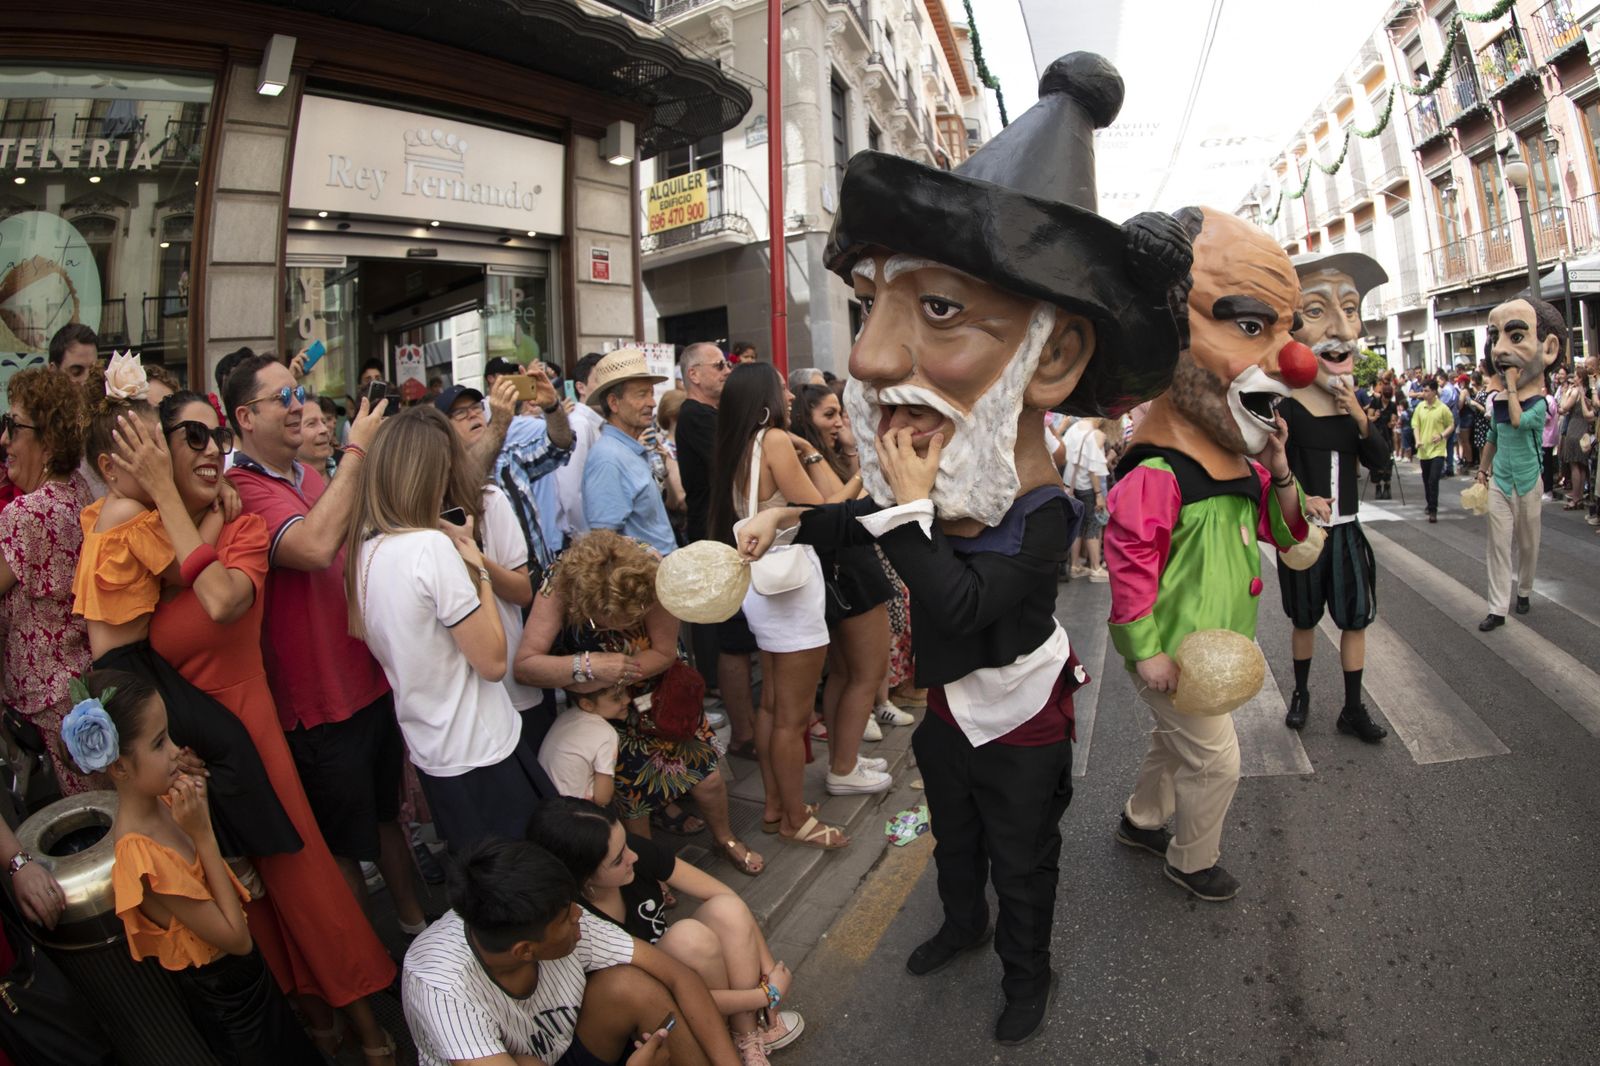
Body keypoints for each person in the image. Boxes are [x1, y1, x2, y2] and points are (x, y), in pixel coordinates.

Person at [736, 53, 1191, 1044]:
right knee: (946, 832)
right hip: (949, 715)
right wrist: (786, 515)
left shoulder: (1039, 513)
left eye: (937, 309)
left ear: (1056, 355)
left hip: (1022, 719)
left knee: (1024, 857)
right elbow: (866, 523)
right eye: (873, 307)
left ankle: (1026, 970)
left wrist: (902, 512)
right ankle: (958, 921)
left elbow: (960, 609)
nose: (867, 358)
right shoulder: (942, 479)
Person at [103, 388, 399, 1061]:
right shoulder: (140, 539)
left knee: (303, 886)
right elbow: (114, 645)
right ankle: (311, 1029)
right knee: (246, 901)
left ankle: (371, 1036)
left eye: (216, 438)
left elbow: (222, 600)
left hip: (248, 728)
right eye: (192, 439)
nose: (213, 452)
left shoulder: (240, 527)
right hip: (180, 744)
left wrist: (172, 499)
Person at [1104, 207, 1315, 905]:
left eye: (1287, 332)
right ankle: (1191, 860)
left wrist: (1282, 470)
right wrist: (1147, 652)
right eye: (1251, 325)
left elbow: (1284, 538)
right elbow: (1129, 567)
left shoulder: (1238, 458)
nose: (1294, 361)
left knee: (1177, 746)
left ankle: (1141, 823)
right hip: (1170, 649)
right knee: (1217, 759)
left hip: (1210, 650)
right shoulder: (1156, 471)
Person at [222, 354, 428, 933]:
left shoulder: (307, 475)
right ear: (244, 416)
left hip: (365, 680)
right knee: (342, 844)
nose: (296, 407)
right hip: (317, 705)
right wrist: (356, 450)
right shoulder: (242, 487)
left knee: (389, 817)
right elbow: (312, 548)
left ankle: (416, 927)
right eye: (282, 399)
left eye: (298, 393)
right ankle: (366, 961)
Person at [75, 375, 301, 865]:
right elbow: (184, 570)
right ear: (110, 469)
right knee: (226, 746)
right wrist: (219, 509)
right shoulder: (130, 512)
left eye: (161, 449)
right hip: (130, 669)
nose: (159, 464)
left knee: (196, 757)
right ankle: (249, 854)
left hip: (123, 667)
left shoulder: (109, 512)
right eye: (149, 455)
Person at [67, 671, 323, 1064]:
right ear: (118, 768)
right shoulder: (141, 857)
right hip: (231, 1007)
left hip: (248, 982)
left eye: (168, 734)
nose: (175, 750)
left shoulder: (167, 804)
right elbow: (236, 938)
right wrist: (203, 835)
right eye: (158, 743)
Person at [346, 407, 549, 850]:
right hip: (480, 747)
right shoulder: (429, 548)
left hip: (433, 749)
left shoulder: (365, 548)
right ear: (426, 474)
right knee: (524, 879)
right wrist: (475, 563)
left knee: (483, 881)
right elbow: (493, 661)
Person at [514, 531, 763, 875]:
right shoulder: (559, 582)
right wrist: (587, 666)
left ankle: (724, 839)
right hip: (603, 708)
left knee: (708, 778)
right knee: (634, 797)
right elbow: (526, 667)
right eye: (614, 622)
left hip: (662, 697)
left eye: (635, 617)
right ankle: (647, 867)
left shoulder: (652, 571)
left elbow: (662, 652)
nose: (628, 627)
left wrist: (615, 673)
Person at [402, 838, 738, 1066]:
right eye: (567, 918)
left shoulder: (553, 910)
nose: (580, 915)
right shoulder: (442, 988)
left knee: (631, 986)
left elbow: (678, 976)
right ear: (524, 951)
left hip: (571, 1045)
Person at [711, 363, 870, 839]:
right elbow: (829, 510)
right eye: (780, 387)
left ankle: (777, 806)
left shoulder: (739, 445)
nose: (788, 393)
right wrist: (860, 470)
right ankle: (797, 820)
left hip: (763, 586)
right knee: (792, 716)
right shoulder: (774, 441)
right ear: (763, 401)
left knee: (773, 706)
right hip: (790, 587)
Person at [528, 798, 804, 1066]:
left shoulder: (626, 852)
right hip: (652, 1015)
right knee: (690, 938)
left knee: (727, 909)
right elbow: (674, 988)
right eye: (617, 859)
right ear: (584, 879)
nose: (633, 856)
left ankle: (745, 1036)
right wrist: (768, 994)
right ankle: (729, 1041)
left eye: (626, 843)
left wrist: (769, 970)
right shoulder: (577, 924)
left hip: (681, 981)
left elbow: (725, 896)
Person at [1276, 252, 1392, 743]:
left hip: (1346, 532)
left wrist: (1360, 417)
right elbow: (1268, 470)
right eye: (1319, 311)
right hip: (1305, 536)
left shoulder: (1351, 403)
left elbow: (1381, 460)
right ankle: (1301, 695)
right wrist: (1304, 500)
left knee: (1354, 621)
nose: (1342, 330)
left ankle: (1351, 707)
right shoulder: (1283, 403)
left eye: (1351, 309)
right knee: (1303, 619)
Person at [791, 384, 907, 751]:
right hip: (848, 570)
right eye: (829, 415)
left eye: (840, 413)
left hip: (849, 567)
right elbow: (832, 509)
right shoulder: (804, 455)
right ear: (804, 419)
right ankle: (844, 766)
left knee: (847, 673)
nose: (839, 422)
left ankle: (847, 761)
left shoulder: (827, 453)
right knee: (865, 674)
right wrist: (865, 464)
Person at [0, 368, 96, 795]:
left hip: (43, 716)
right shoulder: (79, 492)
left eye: (14, 426)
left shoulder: (29, 515)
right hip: (80, 698)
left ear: (50, 441)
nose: (4, 439)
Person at [675, 342, 757, 755]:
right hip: (717, 541)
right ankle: (744, 731)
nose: (727, 371)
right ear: (695, 376)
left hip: (726, 535)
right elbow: (735, 467)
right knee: (733, 638)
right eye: (718, 365)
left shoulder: (710, 416)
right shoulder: (695, 416)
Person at [1476, 296, 1562, 631]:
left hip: (1528, 480)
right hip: (1501, 479)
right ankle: (1497, 609)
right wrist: (1483, 471)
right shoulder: (1497, 399)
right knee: (1497, 546)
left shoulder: (1540, 404)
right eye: (1494, 338)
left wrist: (1510, 387)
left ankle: (1524, 589)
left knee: (1527, 544)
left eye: (1514, 337)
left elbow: (1515, 420)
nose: (1498, 350)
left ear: (1549, 349)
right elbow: (1494, 438)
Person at [582, 349, 676, 556]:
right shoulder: (607, 458)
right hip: (642, 580)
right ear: (614, 403)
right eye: (642, 394)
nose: (652, 403)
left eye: (651, 393)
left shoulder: (627, 450)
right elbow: (604, 542)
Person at [553, 351, 609, 544]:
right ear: (581, 387)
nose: (607, 386)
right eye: (600, 379)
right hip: (585, 542)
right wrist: (587, 538)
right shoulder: (579, 424)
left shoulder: (597, 423)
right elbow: (571, 491)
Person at [539, 686, 629, 804]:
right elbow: (602, 798)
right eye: (616, 698)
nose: (627, 699)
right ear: (587, 704)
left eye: (625, 692)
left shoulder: (567, 715)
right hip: (576, 810)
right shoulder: (606, 734)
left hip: (547, 800)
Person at [1058, 416, 1109, 580]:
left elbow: (1064, 453)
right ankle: (1095, 567)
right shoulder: (1097, 434)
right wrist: (1098, 494)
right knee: (1093, 524)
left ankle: (1075, 565)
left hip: (1071, 484)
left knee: (1078, 526)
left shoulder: (1074, 428)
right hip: (1088, 486)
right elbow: (1093, 468)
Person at [1414, 379, 1453, 521]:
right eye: (1423, 390)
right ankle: (1429, 503)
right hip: (1424, 450)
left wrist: (1442, 435)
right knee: (1426, 480)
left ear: (1434, 392)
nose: (1424, 393)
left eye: (1426, 391)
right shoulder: (1420, 407)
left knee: (1433, 480)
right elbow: (1415, 425)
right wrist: (1417, 440)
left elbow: (1451, 425)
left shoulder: (1443, 408)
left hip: (1438, 450)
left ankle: (1433, 510)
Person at [1557, 362, 1594, 510]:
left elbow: (1564, 407)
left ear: (1579, 379)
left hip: (1574, 428)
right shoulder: (1588, 391)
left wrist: (1565, 393)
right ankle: (1580, 496)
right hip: (1584, 428)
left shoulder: (1575, 392)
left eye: (1576, 377)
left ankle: (1576, 497)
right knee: (1582, 465)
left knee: (1574, 464)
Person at [295, 396, 338, 479]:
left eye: (324, 422)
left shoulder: (340, 470)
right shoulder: (288, 487)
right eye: (311, 424)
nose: (324, 429)